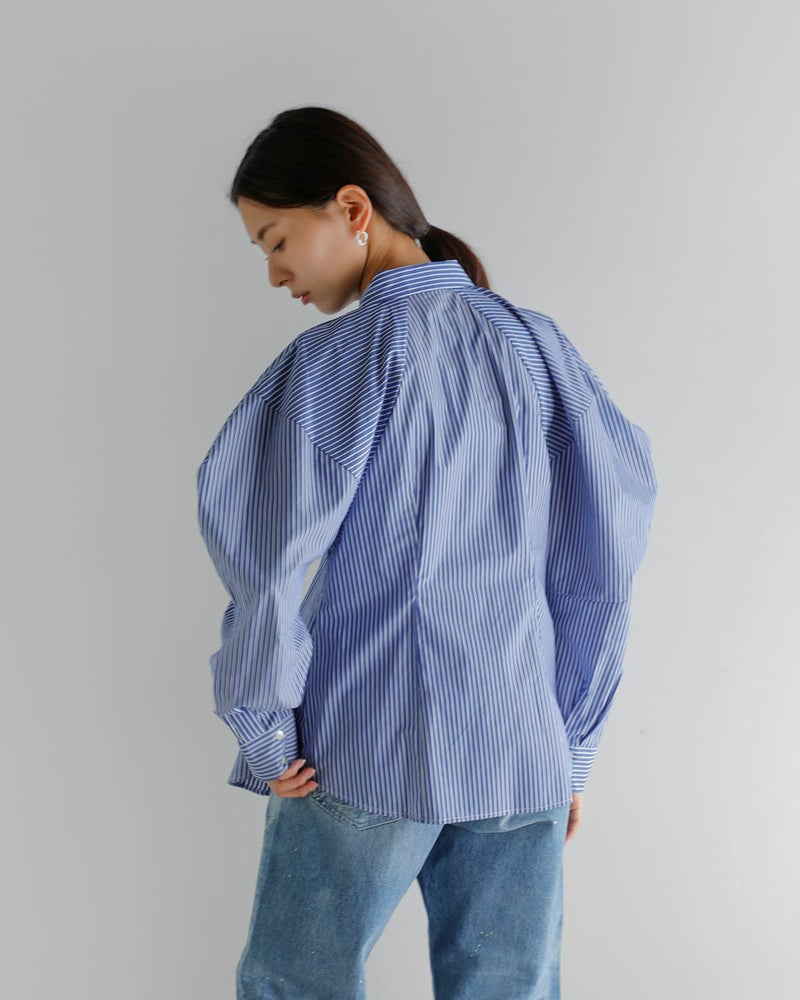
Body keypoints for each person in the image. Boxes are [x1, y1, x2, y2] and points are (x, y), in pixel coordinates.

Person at [196, 105, 658, 1000]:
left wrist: (264, 726)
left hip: (361, 745)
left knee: (296, 984)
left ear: (352, 208)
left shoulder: (339, 360)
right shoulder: (537, 346)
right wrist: (571, 743)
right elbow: (604, 561)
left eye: (276, 239)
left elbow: (264, 557)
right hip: (520, 750)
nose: (274, 271)